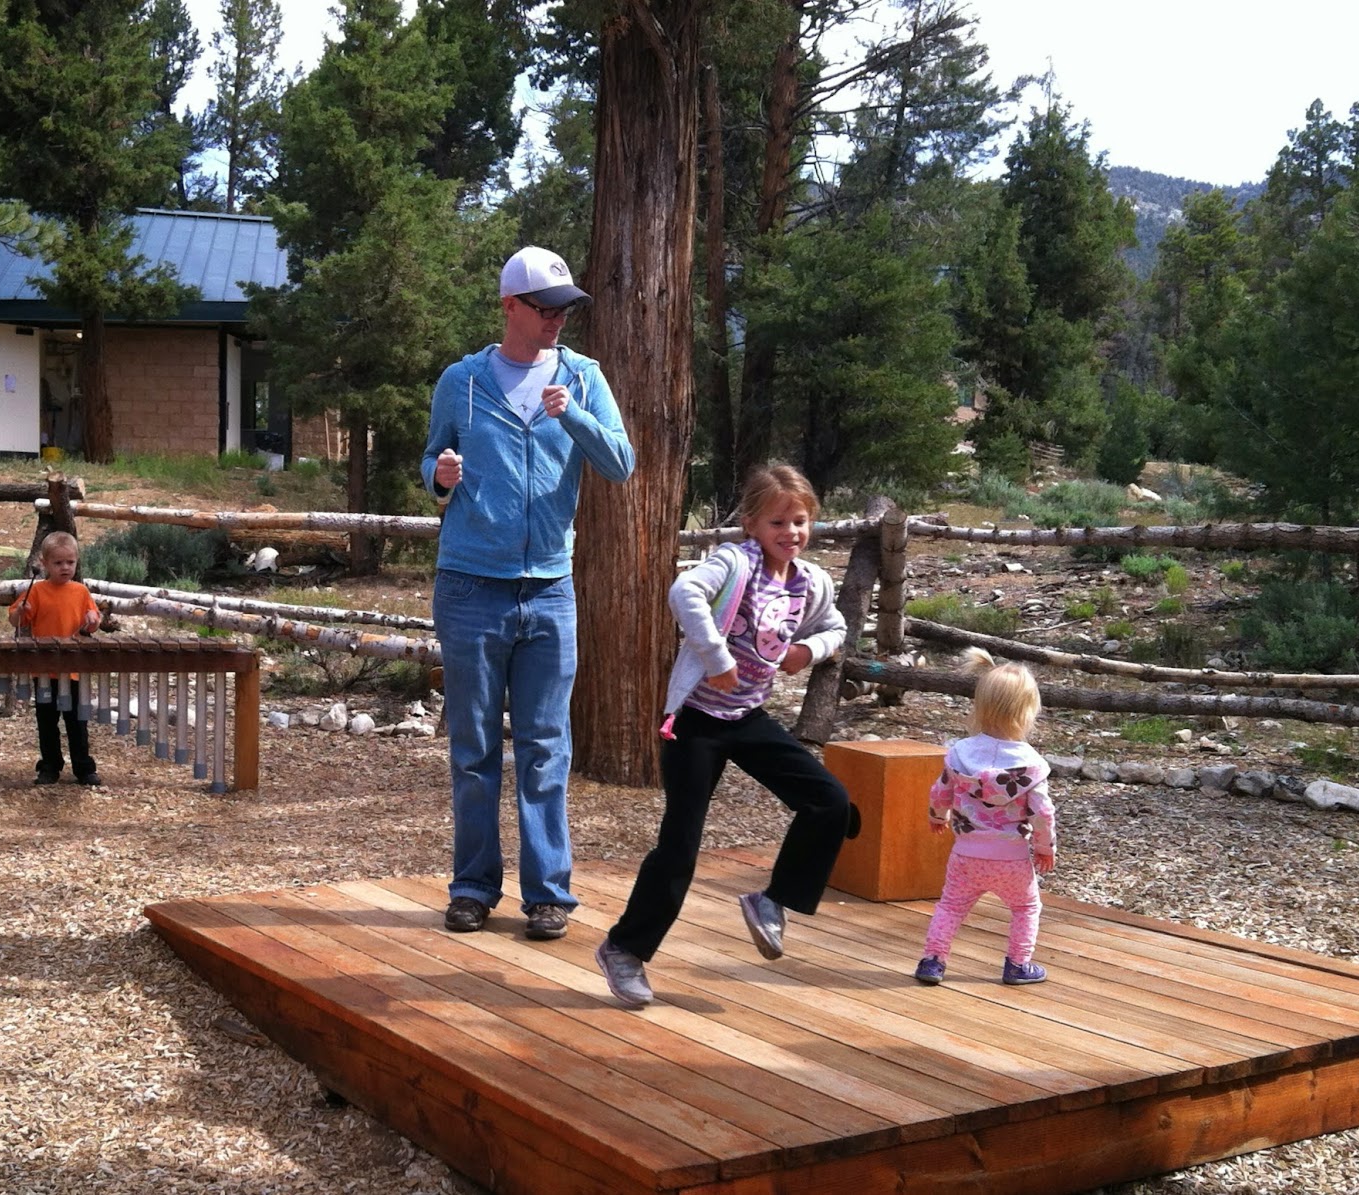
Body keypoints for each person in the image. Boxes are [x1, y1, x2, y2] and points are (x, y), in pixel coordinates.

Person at [422, 245, 635, 942]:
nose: (557, 320)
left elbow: (620, 464)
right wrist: (438, 475)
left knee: (546, 748)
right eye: (545, 308)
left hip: (549, 589)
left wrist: (574, 416)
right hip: (469, 586)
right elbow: (431, 456)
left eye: (565, 309)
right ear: (509, 306)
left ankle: (548, 894)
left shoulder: (582, 377)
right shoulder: (462, 381)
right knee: (473, 748)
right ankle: (473, 888)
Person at [594, 465, 852, 1008]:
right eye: (777, 522)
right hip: (695, 721)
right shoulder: (735, 563)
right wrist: (715, 657)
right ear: (752, 523)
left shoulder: (810, 582)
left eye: (800, 521)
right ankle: (624, 950)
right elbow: (684, 592)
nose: (790, 532)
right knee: (680, 845)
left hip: (748, 718)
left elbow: (836, 627)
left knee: (830, 801)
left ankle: (773, 901)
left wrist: (810, 650)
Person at [914, 648, 1057, 987]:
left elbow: (940, 791)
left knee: (950, 906)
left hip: (966, 855)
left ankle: (933, 961)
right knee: (1025, 908)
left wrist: (938, 816)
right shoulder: (1030, 764)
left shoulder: (960, 754)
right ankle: (1018, 964)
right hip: (1011, 859)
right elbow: (1042, 812)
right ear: (1027, 712)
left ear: (979, 707)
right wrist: (1045, 848)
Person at [7, 531, 104, 787]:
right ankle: (49, 767)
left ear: (77, 561)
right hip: (44, 670)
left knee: (77, 721)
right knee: (47, 722)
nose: (65, 567)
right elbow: (16, 620)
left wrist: (93, 621)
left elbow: (93, 622)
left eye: (70, 562)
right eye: (58, 563)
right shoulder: (37, 591)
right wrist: (20, 612)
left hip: (74, 668)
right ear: (44, 563)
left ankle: (84, 768)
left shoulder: (81, 591)